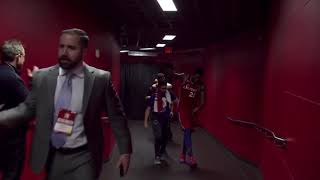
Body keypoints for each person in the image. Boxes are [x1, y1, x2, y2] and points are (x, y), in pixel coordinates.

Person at [0, 28, 132, 180]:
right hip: (54, 155)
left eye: (71, 48)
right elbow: (26, 109)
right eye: (61, 46)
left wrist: (125, 150)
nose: (64, 52)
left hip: (85, 156)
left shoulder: (100, 79)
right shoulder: (43, 77)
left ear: (83, 51)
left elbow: (116, 115)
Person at [0, 39, 29, 180]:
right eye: (24, 56)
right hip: (11, 143)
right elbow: (31, 106)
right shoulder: (13, 79)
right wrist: (33, 83)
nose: (24, 60)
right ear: (18, 57)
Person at [175, 68, 205, 168]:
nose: (197, 79)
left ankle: (182, 156)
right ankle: (191, 157)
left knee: (187, 134)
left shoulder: (199, 86)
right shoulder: (186, 78)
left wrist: (197, 109)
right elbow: (176, 74)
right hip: (182, 111)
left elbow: (202, 102)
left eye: (199, 78)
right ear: (193, 75)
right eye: (196, 77)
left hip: (190, 113)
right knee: (187, 131)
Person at [144, 81, 177, 164]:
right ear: (159, 88)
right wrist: (145, 121)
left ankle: (161, 153)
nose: (164, 90)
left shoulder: (169, 94)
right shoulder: (154, 96)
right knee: (158, 137)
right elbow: (148, 109)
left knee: (165, 138)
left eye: (165, 88)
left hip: (166, 119)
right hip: (156, 118)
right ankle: (157, 156)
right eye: (163, 88)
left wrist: (172, 111)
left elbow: (173, 103)